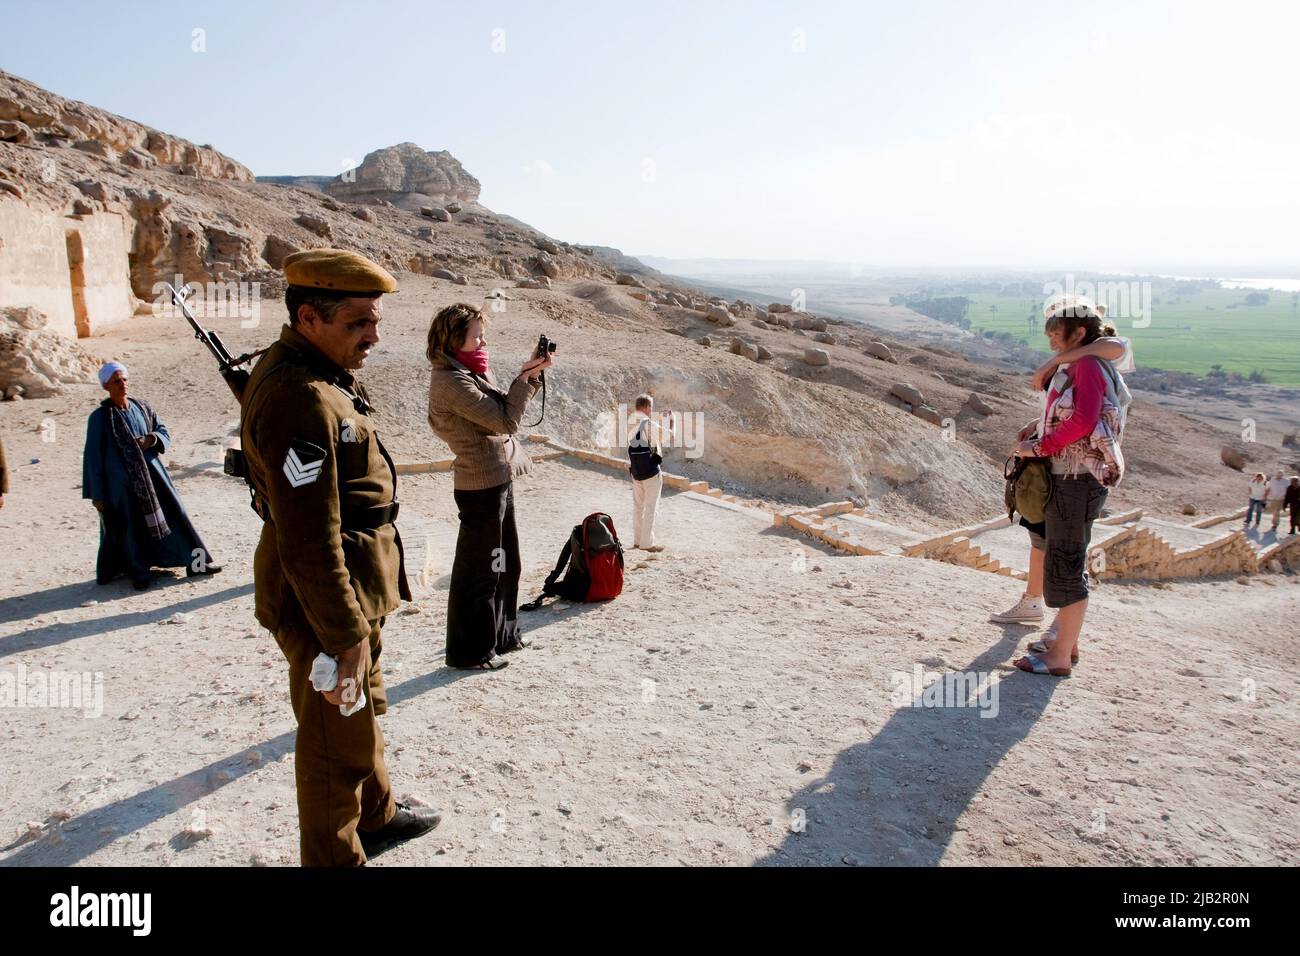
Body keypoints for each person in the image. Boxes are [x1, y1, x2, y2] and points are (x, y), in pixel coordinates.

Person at [240, 248, 439, 866]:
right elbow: (308, 537)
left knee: (362, 710)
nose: (374, 336)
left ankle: (376, 816)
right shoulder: (301, 395)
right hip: (326, 599)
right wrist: (344, 634)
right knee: (332, 741)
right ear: (308, 318)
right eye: (358, 323)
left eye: (375, 321)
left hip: (356, 586)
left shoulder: (317, 372)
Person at [426, 303, 551, 670]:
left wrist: (527, 375)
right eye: (476, 336)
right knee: (480, 571)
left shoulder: (469, 369)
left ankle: (503, 636)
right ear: (453, 341)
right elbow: (505, 420)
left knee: (506, 563)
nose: (483, 341)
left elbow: (500, 410)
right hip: (480, 484)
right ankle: (472, 652)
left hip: (499, 477)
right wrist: (526, 378)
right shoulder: (450, 382)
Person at [992, 315, 1130, 639]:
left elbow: (1083, 420)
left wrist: (1040, 447)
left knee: (1067, 551)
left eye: (1057, 334)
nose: (1051, 341)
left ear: (1080, 332)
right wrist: (1036, 425)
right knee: (1042, 539)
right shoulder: (1076, 364)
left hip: (1075, 473)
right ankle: (1033, 603)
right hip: (1057, 471)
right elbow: (1065, 409)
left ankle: (1062, 635)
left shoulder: (1090, 363)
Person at [81, 362, 220, 590]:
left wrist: (152, 439)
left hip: (155, 478)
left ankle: (198, 563)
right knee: (130, 528)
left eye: (124, 379)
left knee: (178, 516)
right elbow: (93, 458)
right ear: (106, 386)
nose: (122, 384)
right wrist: (98, 494)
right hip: (122, 486)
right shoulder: (100, 418)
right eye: (116, 381)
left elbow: (162, 430)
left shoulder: (142, 406)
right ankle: (140, 573)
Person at [627, 394, 675, 552]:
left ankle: (637, 540)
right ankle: (647, 543)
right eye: (651, 407)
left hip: (636, 472)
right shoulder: (648, 424)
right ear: (647, 407)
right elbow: (666, 436)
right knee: (650, 507)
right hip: (650, 472)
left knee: (637, 507)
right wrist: (671, 422)